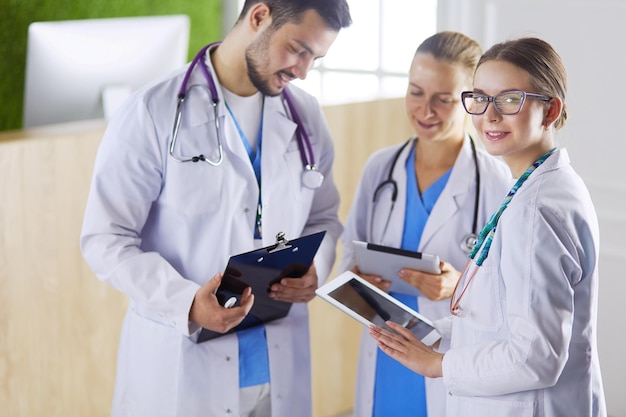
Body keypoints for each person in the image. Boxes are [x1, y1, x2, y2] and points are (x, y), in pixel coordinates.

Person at [79, 1, 351, 416]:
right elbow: (105, 238)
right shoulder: (153, 112)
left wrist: (317, 266)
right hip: (184, 369)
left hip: (275, 367)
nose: (303, 70)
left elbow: (323, 217)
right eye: (298, 49)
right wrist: (186, 301)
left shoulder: (307, 117)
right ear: (259, 17)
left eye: (316, 57)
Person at [370, 37, 607, 417]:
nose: (489, 115)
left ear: (550, 111)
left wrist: (437, 364)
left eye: (510, 99)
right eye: (480, 97)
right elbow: (505, 318)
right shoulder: (538, 186)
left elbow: (535, 357)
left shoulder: (536, 210)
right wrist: (434, 330)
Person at [339, 31, 511, 417]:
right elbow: (349, 254)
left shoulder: (497, 182)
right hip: (385, 354)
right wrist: (356, 280)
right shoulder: (380, 168)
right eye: (416, 92)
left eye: (443, 99)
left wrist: (458, 288)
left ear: (472, 101)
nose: (425, 110)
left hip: (450, 360)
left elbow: (512, 291)